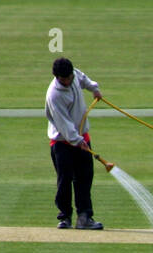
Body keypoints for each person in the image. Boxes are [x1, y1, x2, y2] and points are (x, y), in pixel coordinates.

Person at [46, 57, 104, 229]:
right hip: (62, 143)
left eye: (69, 77)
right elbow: (63, 123)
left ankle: (84, 217)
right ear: (57, 77)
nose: (67, 81)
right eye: (63, 79)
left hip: (82, 138)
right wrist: (77, 140)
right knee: (65, 180)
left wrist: (94, 89)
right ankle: (65, 217)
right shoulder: (54, 95)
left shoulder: (74, 74)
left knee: (84, 178)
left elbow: (84, 79)